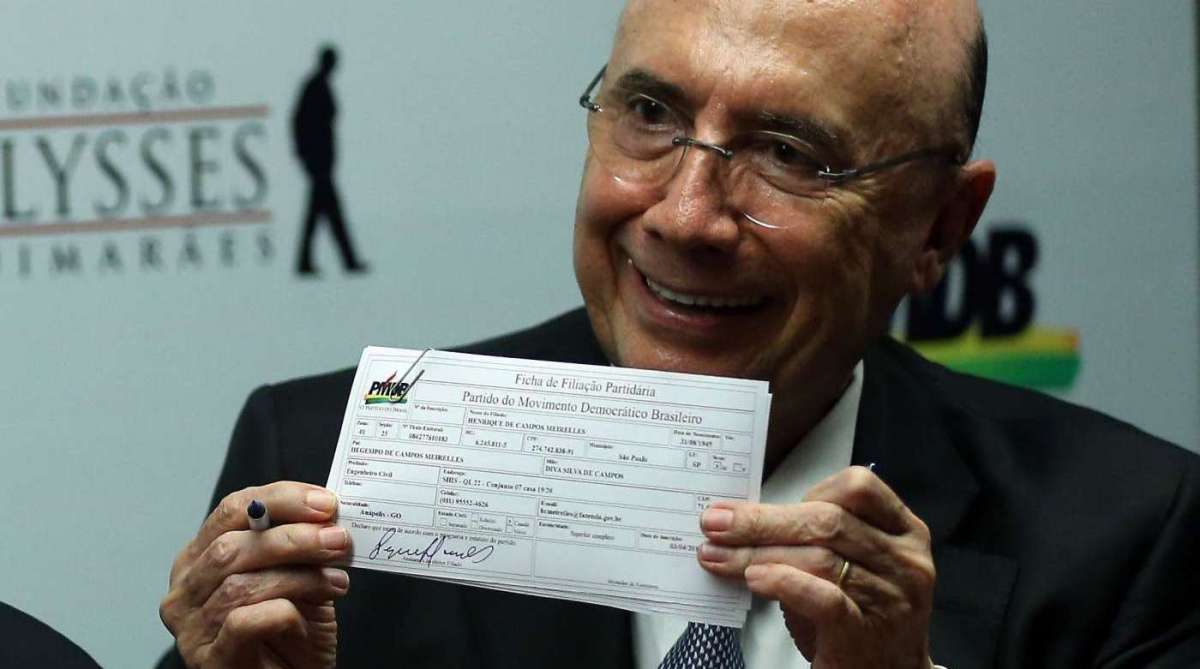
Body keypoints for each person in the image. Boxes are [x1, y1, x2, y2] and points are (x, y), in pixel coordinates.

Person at [158, 1, 1200, 667]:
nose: (686, 216)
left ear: (937, 228)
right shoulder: (329, 466)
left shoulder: (1128, 540)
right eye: (651, 114)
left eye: (791, 152)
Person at [292, 46, 368, 275]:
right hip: (319, 163)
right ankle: (347, 261)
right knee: (331, 215)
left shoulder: (320, 86)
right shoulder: (315, 87)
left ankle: (310, 261)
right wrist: (304, 153)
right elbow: (299, 121)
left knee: (320, 215)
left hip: (323, 162)